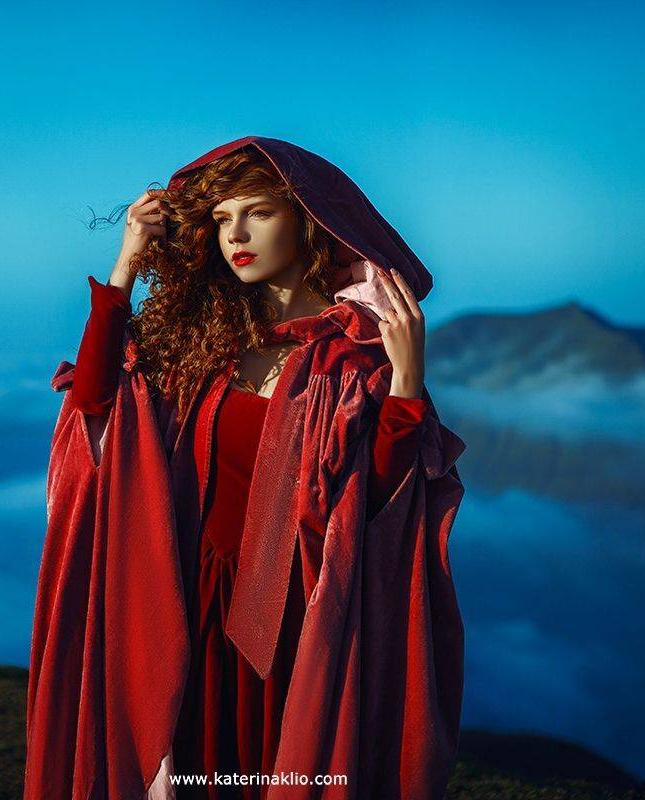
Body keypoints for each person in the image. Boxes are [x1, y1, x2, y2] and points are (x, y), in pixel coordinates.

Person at [24, 137, 468, 800]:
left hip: (294, 620)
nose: (235, 235)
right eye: (222, 218)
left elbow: (378, 505)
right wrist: (124, 269)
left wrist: (405, 384)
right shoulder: (200, 344)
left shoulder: (352, 357)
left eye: (257, 212)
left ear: (307, 220)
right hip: (184, 606)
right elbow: (93, 405)